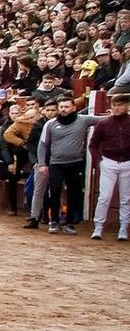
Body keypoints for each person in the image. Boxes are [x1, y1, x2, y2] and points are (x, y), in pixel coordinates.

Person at [36, 97, 94, 234]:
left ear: (74, 108)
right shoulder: (50, 124)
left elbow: (104, 119)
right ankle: (54, 221)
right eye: (61, 107)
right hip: (56, 163)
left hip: (75, 163)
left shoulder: (83, 120)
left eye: (66, 107)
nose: (63, 109)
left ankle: (69, 223)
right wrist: (42, 163)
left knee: (74, 193)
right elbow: (42, 145)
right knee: (54, 191)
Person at [90, 93, 130, 240]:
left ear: (127, 106)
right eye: (114, 105)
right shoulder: (104, 124)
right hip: (109, 161)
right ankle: (98, 228)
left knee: (125, 198)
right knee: (104, 197)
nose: (117, 108)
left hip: (127, 162)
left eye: (120, 105)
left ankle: (123, 229)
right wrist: (98, 160)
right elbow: (93, 144)